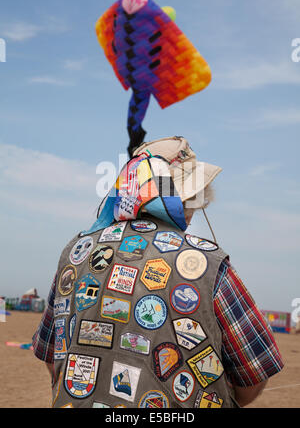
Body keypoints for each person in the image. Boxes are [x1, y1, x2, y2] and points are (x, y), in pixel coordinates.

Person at [32, 136, 284, 408]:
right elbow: (254, 372)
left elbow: (51, 354)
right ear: (181, 199)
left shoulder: (76, 251)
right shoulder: (209, 263)